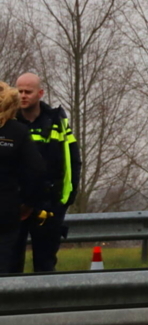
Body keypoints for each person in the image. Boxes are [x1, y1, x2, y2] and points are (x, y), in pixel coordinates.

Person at [13, 72, 80, 273]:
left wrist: (64, 201)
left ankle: (45, 303)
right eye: (19, 91)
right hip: (15, 206)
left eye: (28, 91)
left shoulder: (55, 122)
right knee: (9, 265)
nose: (23, 95)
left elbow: (71, 162)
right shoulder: (8, 121)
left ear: (40, 93)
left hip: (48, 205)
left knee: (45, 265)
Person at [0, 82, 47, 273]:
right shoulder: (18, 132)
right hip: (6, 212)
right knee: (5, 267)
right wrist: (28, 203)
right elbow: (37, 171)